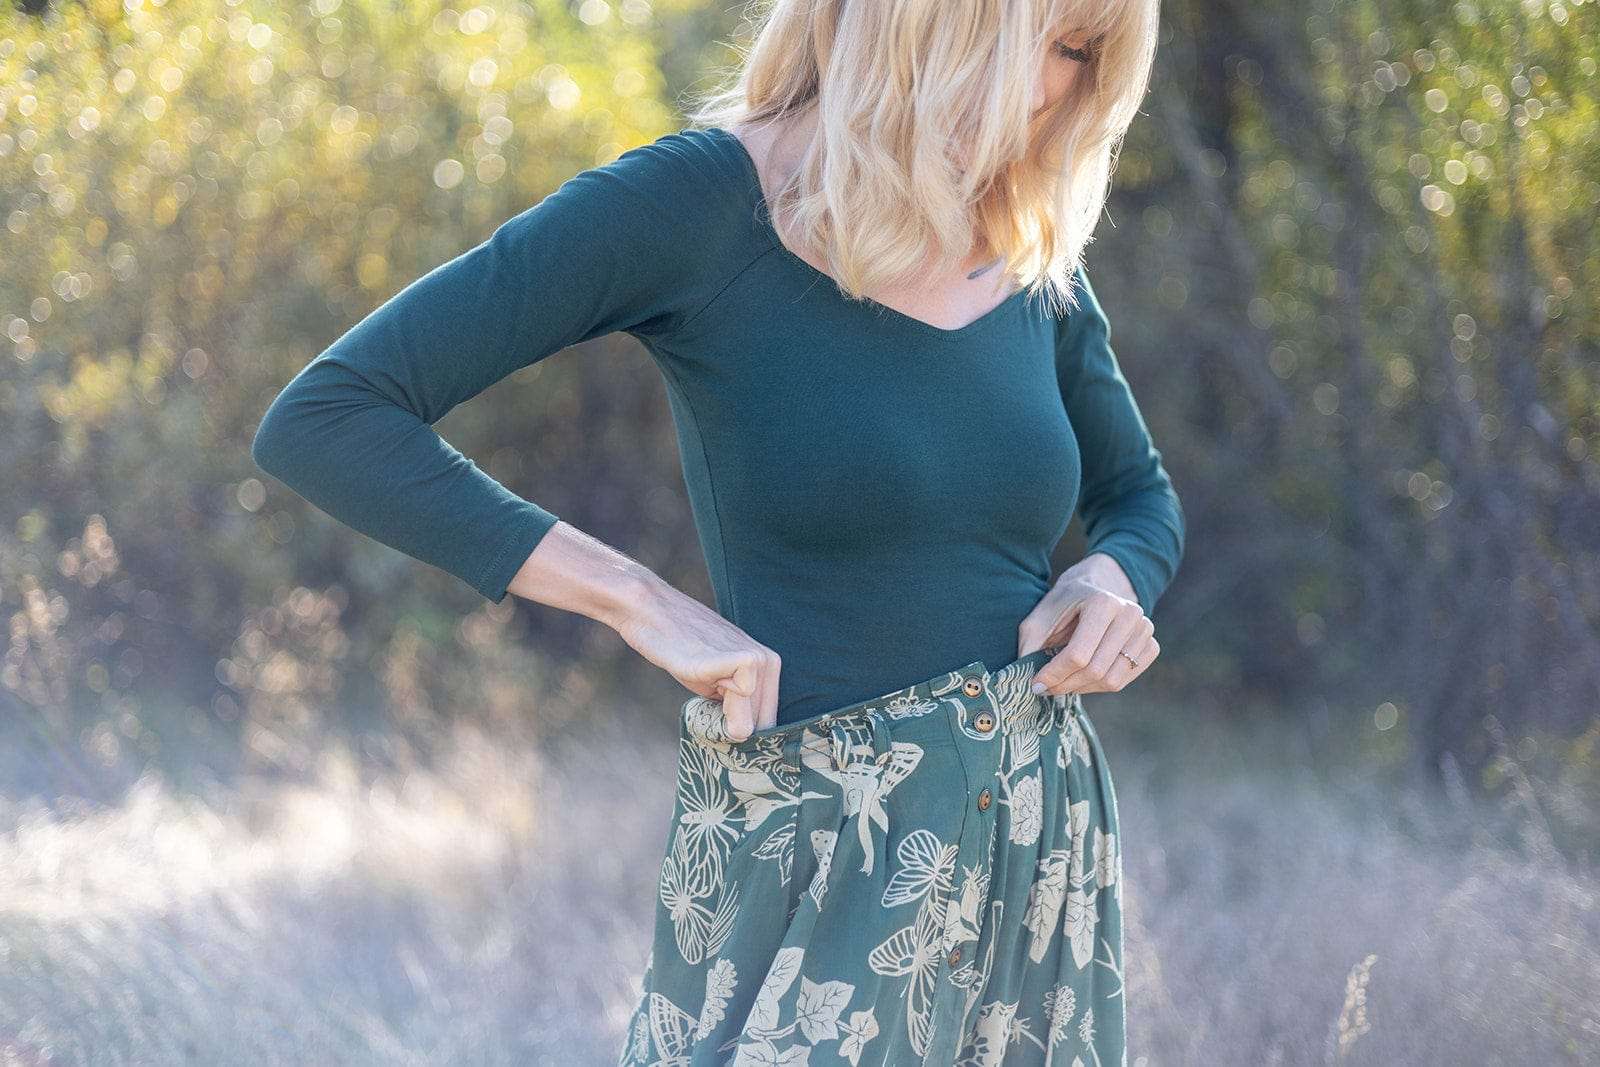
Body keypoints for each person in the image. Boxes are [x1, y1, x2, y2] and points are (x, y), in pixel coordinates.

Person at [251, 0, 1180, 1061]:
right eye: (1026, 41)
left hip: (1038, 830)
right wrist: (635, 599)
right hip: (820, 842)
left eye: (1077, 53)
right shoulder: (700, 201)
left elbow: (1139, 497)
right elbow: (330, 417)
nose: (1045, 90)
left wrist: (1112, 579)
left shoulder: (1024, 239)